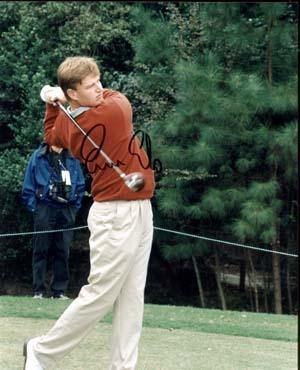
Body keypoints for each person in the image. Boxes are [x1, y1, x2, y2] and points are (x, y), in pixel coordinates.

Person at [23, 56, 155, 370]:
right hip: (115, 216)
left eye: (98, 81)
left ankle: (122, 366)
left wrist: (52, 103)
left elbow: (51, 134)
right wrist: (58, 100)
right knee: (100, 294)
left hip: (139, 209)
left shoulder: (71, 123)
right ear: (73, 94)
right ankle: (41, 351)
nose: (99, 88)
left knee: (131, 296)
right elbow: (109, 101)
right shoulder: (115, 109)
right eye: (90, 85)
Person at [22, 142, 85, 299]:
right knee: (40, 249)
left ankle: (59, 291)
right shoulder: (38, 157)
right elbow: (28, 186)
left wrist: (73, 208)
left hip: (66, 209)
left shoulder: (72, 157)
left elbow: (81, 185)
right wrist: (35, 209)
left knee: (63, 250)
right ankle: (39, 291)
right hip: (45, 207)